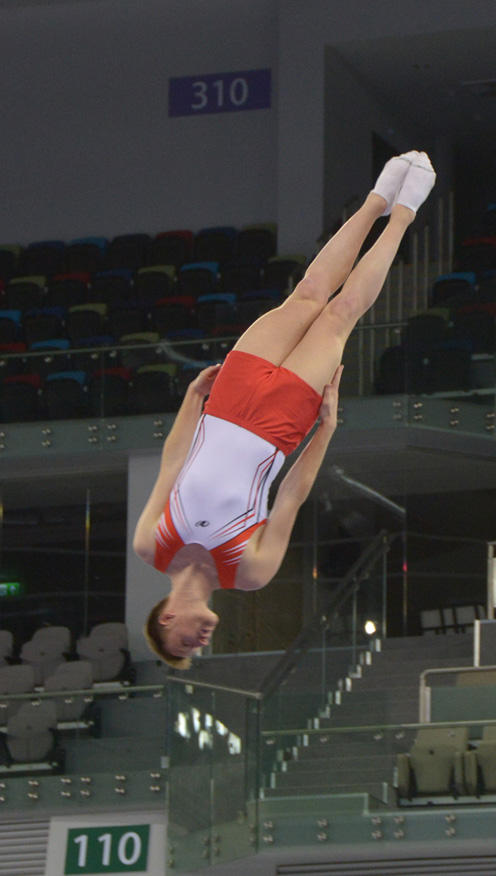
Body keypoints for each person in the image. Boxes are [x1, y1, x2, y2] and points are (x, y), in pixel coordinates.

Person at [133, 150, 436, 667]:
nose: (199, 642)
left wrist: (190, 401)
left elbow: (171, 463)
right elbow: (292, 496)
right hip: (280, 427)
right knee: (339, 314)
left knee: (307, 295)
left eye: (185, 643)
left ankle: (376, 200)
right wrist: (327, 429)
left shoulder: (150, 545)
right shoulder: (249, 573)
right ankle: (405, 213)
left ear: (165, 620)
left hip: (226, 402)